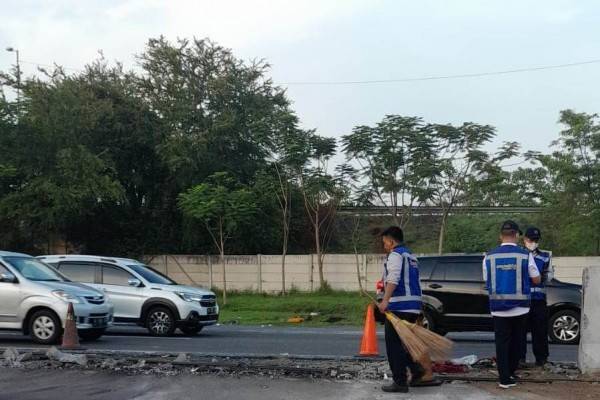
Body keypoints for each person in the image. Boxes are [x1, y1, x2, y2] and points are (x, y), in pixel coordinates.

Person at [483, 220, 542, 389]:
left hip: (498, 307)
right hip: (520, 306)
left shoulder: (489, 256)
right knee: (517, 341)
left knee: (502, 342)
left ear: (500, 236)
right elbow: (536, 279)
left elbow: (487, 281)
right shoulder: (525, 254)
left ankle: (504, 378)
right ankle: (511, 372)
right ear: (516, 235)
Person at [377, 226, 426, 393]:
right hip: (413, 305)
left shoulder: (396, 255)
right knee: (404, 344)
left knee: (394, 346)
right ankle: (417, 371)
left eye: (385, 243)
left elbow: (393, 278)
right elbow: (417, 282)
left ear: (391, 241)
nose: (384, 246)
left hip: (399, 306)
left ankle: (400, 382)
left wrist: (385, 301)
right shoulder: (411, 256)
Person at [522, 227, 553, 366]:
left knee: (540, 331)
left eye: (535, 240)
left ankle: (541, 359)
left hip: (539, 300)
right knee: (519, 331)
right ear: (524, 239)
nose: (533, 242)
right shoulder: (519, 254)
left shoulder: (546, 256)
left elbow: (548, 277)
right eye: (531, 239)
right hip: (522, 299)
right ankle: (519, 359)